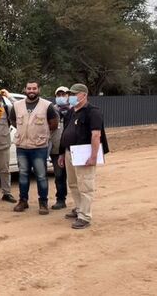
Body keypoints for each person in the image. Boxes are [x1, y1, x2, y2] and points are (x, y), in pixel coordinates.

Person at [58, 83, 109, 229]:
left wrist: (93, 156)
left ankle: (85, 216)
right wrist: (62, 153)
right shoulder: (70, 112)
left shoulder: (93, 112)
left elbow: (96, 135)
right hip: (69, 152)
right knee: (73, 183)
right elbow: (65, 133)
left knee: (85, 185)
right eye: (71, 94)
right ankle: (79, 209)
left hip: (84, 154)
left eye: (74, 94)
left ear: (84, 95)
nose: (71, 97)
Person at [7, 81, 59, 215]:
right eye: (29, 88)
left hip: (39, 147)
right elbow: (13, 121)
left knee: (41, 176)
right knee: (23, 175)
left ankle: (43, 203)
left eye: (34, 88)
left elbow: (53, 124)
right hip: (22, 147)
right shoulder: (17, 106)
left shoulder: (47, 106)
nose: (31, 90)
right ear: (25, 89)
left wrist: (40, 134)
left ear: (38, 90)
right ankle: (23, 201)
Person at [49, 86, 70, 210]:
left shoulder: (75, 109)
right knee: (59, 176)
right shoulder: (52, 110)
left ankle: (80, 204)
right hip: (57, 149)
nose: (61, 97)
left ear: (69, 95)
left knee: (76, 178)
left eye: (64, 94)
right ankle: (61, 199)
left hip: (73, 150)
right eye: (59, 95)